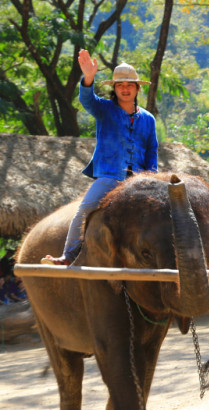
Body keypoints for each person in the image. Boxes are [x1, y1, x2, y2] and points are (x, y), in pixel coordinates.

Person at [42, 49, 157, 265]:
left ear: (137, 88)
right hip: (110, 176)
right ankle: (69, 254)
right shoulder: (104, 109)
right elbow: (87, 100)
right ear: (114, 88)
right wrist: (88, 77)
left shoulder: (148, 119)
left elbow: (152, 150)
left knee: (165, 214)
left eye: (129, 85)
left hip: (140, 180)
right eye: (120, 85)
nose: (125, 89)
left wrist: (152, 179)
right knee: (86, 209)